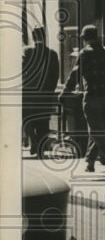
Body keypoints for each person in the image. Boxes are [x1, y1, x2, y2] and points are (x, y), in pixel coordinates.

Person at [60, 24, 105, 173]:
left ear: (85, 38)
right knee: (97, 129)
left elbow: (75, 75)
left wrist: (64, 92)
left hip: (92, 97)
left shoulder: (85, 53)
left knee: (96, 131)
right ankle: (90, 163)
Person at [21, 26, 60, 156]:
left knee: (27, 118)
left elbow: (21, 70)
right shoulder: (52, 54)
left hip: (28, 93)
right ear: (44, 37)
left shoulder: (27, 52)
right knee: (43, 120)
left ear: (33, 37)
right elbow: (55, 76)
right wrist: (50, 90)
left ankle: (33, 141)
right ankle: (40, 149)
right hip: (45, 93)